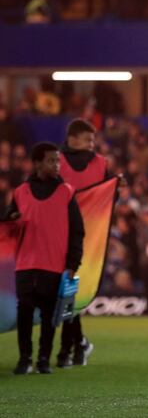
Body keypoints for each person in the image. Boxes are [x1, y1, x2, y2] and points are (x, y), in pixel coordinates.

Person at [8, 142, 85, 374]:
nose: (57, 165)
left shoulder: (67, 193)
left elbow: (77, 232)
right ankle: (24, 359)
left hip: (54, 264)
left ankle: (43, 359)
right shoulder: (20, 192)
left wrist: (73, 264)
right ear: (37, 163)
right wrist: (12, 218)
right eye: (52, 160)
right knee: (24, 312)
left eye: (58, 160)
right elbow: (8, 228)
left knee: (50, 315)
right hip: (25, 264)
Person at [56, 118, 108, 368]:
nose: (91, 145)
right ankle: (78, 345)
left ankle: (73, 347)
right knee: (67, 295)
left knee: (69, 294)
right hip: (57, 237)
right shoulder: (56, 161)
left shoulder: (100, 164)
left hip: (88, 241)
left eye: (93, 140)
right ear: (72, 139)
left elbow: (108, 195)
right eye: (87, 140)